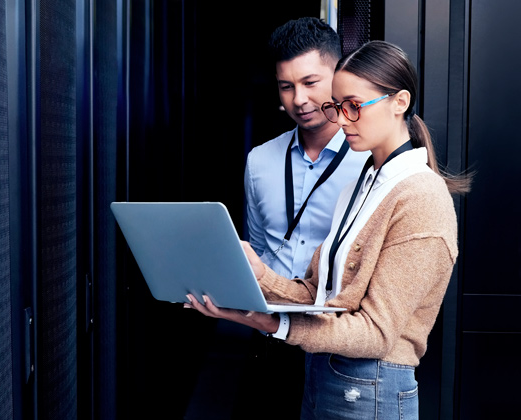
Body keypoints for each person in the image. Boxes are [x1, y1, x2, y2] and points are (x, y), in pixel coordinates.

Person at [186, 40, 471, 420]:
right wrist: (259, 275)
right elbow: (320, 295)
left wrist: (273, 322)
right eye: (337, 107)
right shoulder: (368, 181)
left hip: (372, 388)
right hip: (327, 375)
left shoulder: (421, 195)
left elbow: (375, 333)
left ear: (399, 102)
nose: (341, 119)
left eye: (354, 106)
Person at [238, 17, 370, 419]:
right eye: (287, 86)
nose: (299, 99)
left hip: (337, 339)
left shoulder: (370, 161)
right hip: (268, 335)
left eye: (311, 83)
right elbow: (258, 247)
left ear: (338, 77)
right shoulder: (259, 160)